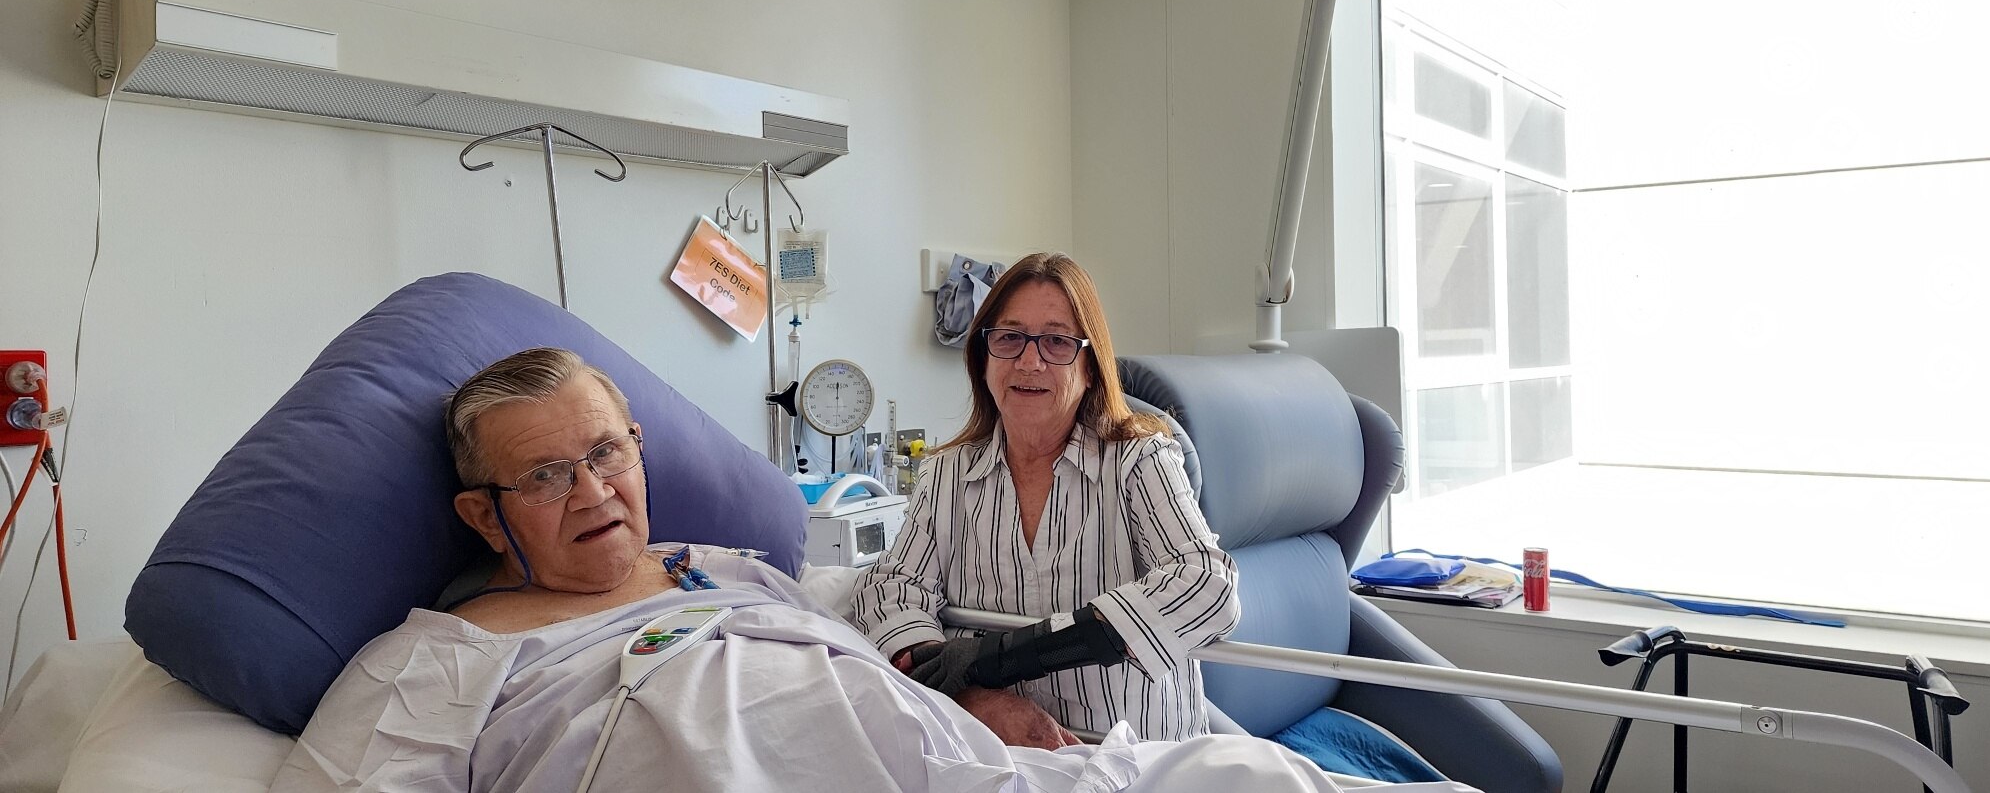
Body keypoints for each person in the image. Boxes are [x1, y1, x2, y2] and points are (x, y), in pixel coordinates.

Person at [270, 347, 1343, 793]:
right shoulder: (441, 658)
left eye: (605, 454)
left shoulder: (724, 569)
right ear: (480, 513)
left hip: (964, 774)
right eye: (546, 475)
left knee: (1252, 774)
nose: (594, 493)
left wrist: (967, 690)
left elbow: (863, 652)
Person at [851, 253, 1240, 742]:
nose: (1029, 361)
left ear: (1091, 368)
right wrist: (965, 689)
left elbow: (1208, 587)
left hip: (1135, 764)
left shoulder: (1139, 461)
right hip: (999, 757)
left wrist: (1006, 657)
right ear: (983, 357)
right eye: (1009, 338)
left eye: (1057, 341)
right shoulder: (946, 474)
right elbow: (888, 591)